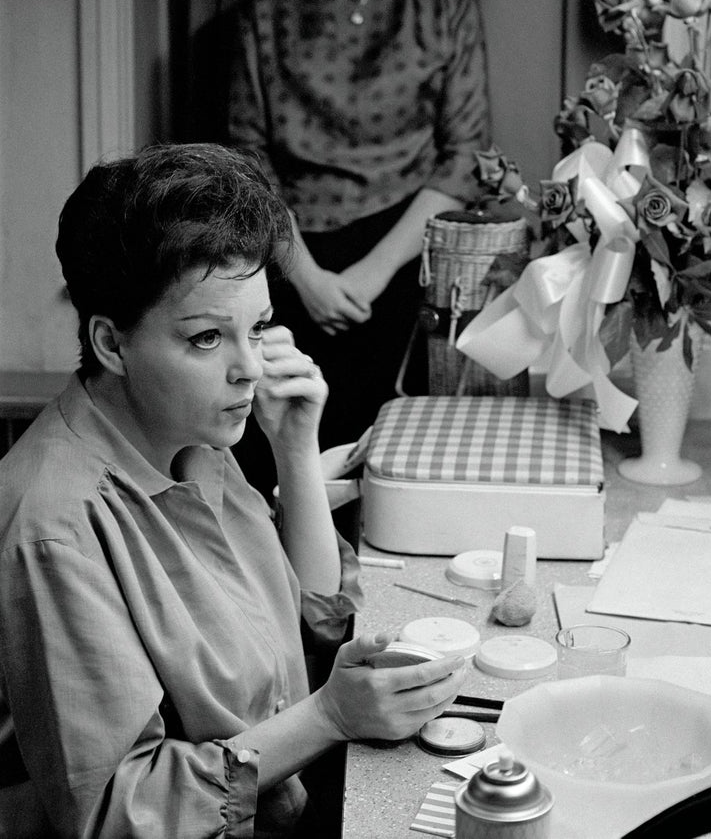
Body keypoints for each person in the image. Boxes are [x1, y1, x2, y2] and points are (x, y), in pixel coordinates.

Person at [0, 143, 467, 839]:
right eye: (207, 338)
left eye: (258, 326)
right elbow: (116, 812)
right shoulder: (56, 526)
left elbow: (308, 616)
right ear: (110, 343)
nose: (249, 368)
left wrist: (295, 446)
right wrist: (329, 715)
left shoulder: (185, 431)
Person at [228, 0, 491, 454]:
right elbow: (247, 161)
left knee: (392, 458)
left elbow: (463, 157)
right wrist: (306, 277)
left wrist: (373, 274)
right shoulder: (265, 13)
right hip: (289, 254)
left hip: (404, 261)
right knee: (281, 451)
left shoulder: (444, 3)